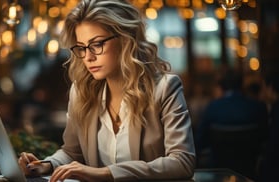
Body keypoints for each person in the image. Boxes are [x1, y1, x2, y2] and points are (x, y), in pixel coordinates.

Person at [18, 0, 196, 181]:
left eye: (97, 44)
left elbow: (182, 162)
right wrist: (46, 165)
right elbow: (73, 153)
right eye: (82, 47)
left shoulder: (165, 88)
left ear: (126, 40)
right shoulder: (81, 92)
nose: (88, 57)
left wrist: (106, 173)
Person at [195, 69, 268, 180]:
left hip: (218, 173)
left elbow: (200, 142)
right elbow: (265, 139)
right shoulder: (258, 107)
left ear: (221, 86)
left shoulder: (213, 108)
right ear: (241, 84)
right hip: (250, 172)